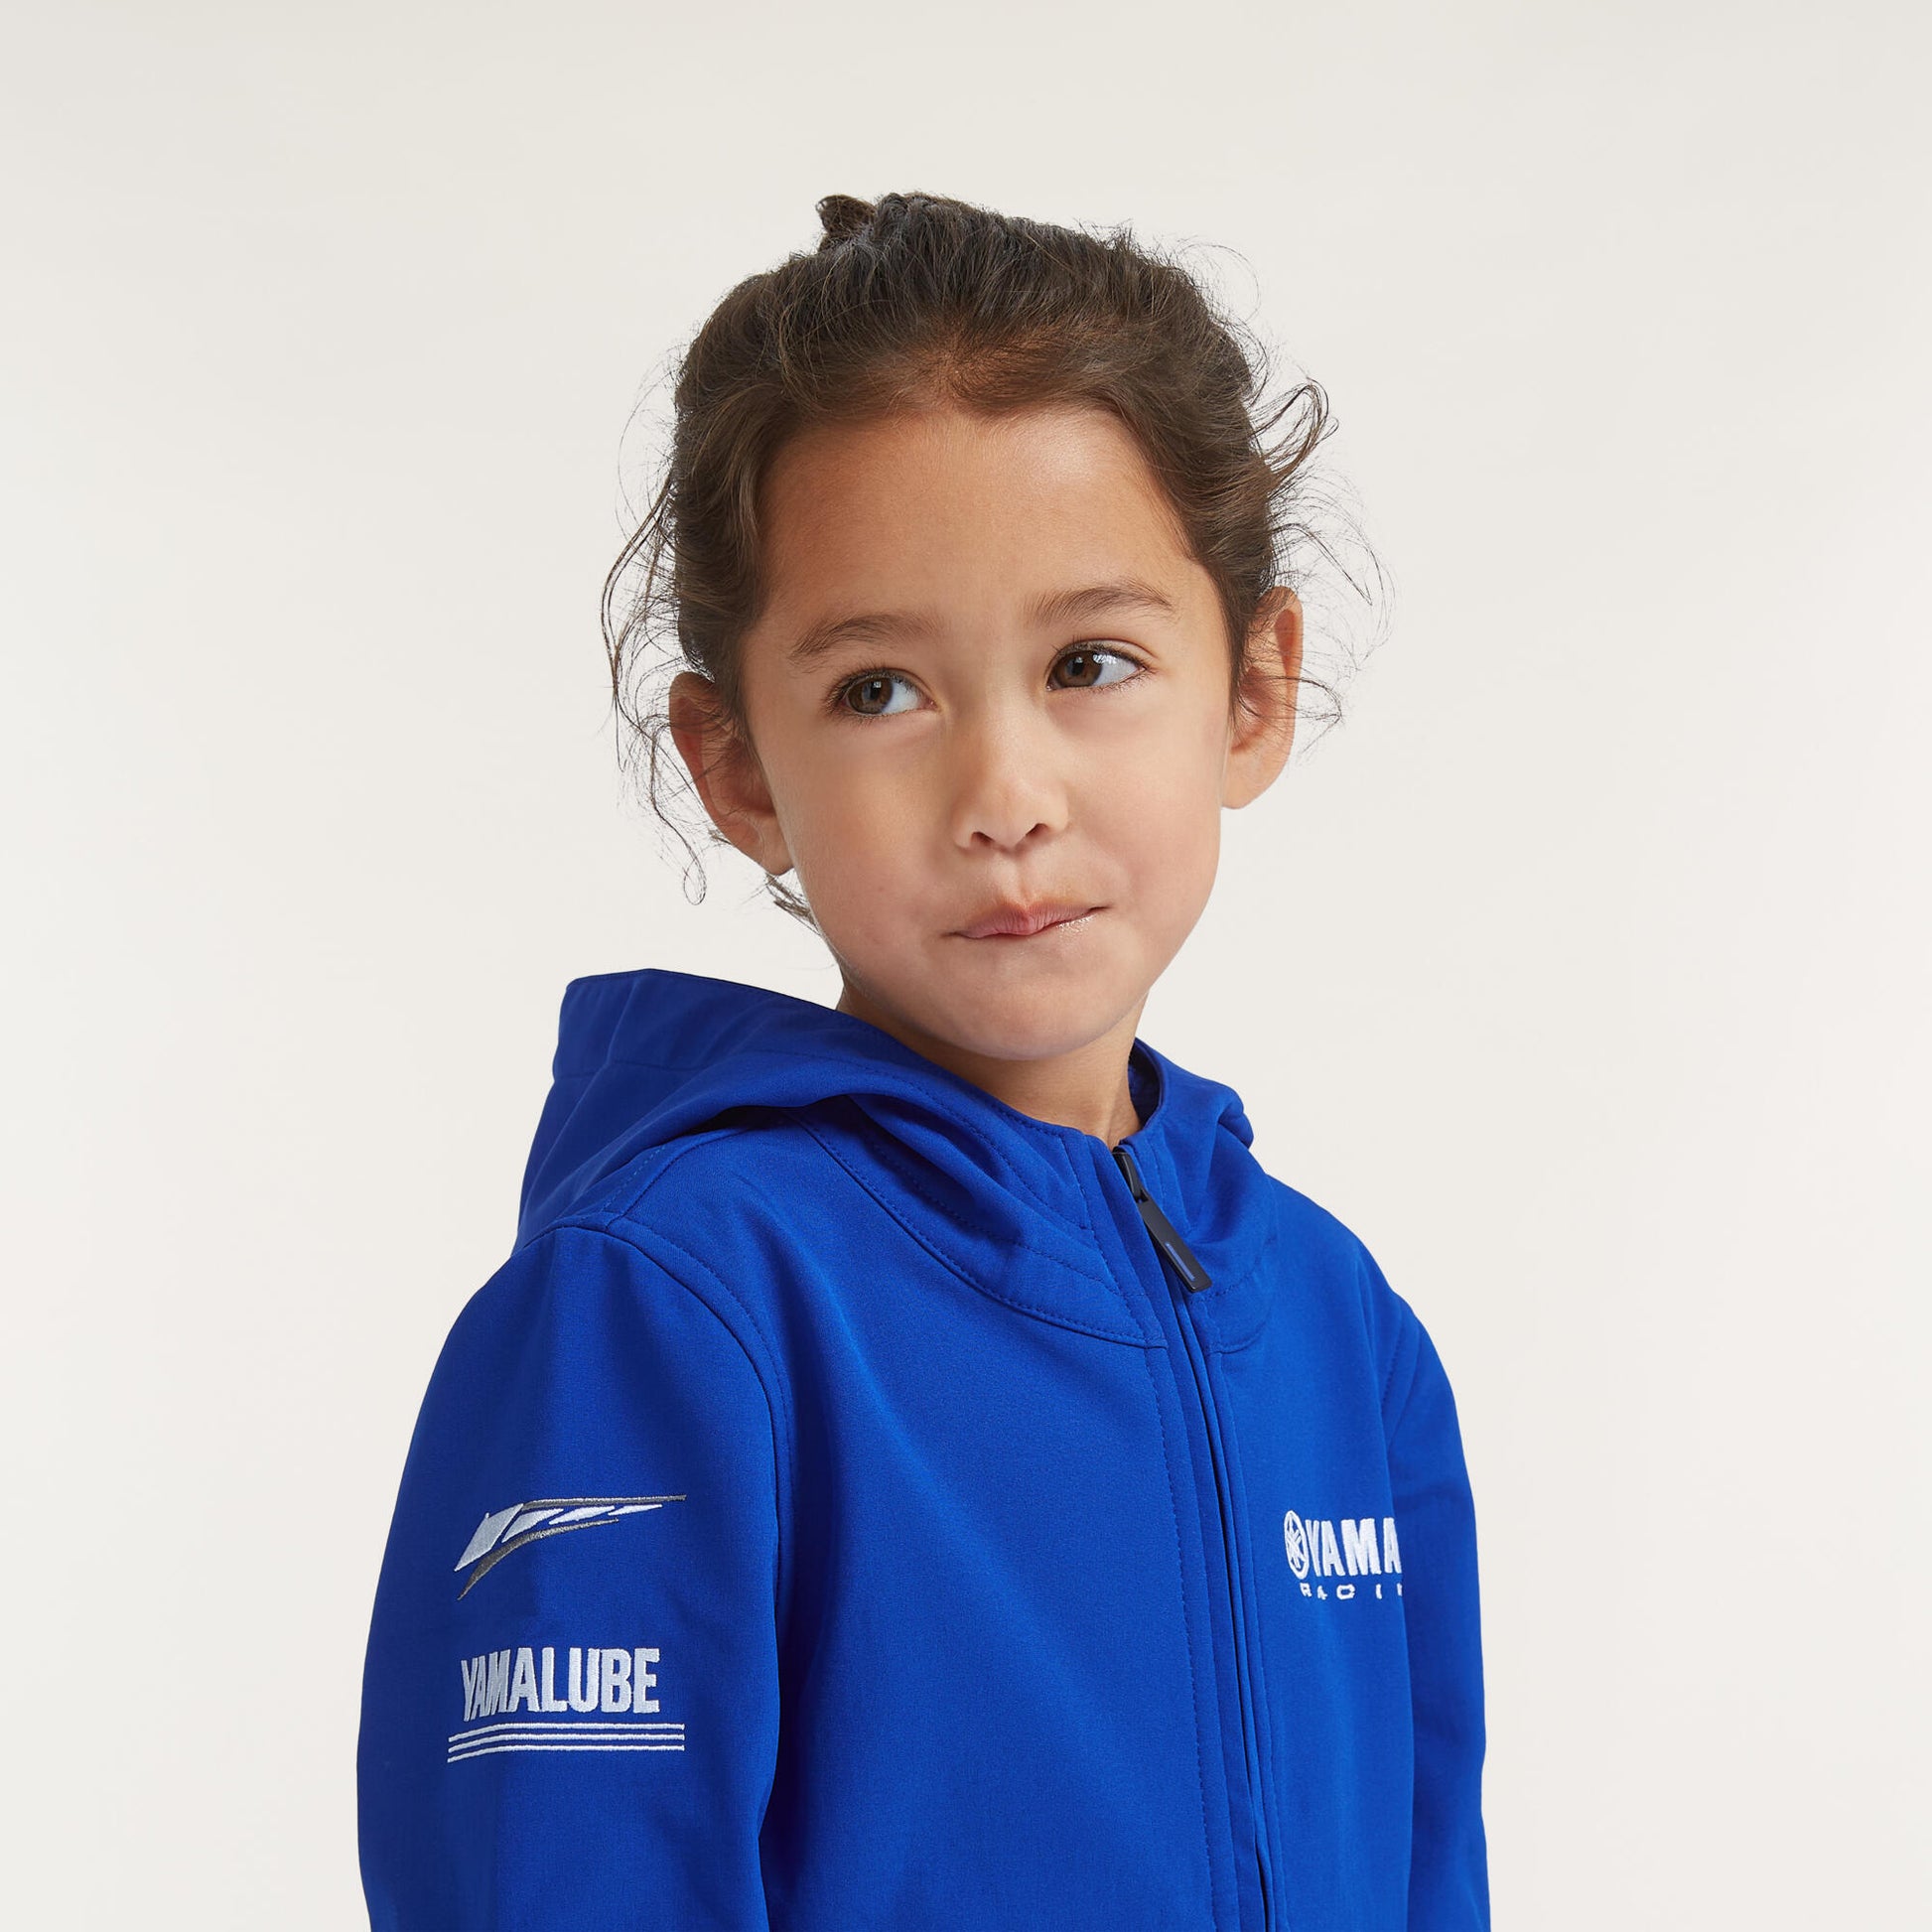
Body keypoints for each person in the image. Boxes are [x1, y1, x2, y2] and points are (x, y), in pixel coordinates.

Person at [356, 189, 1488, 1931]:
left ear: (1252, 688)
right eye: (879, 689)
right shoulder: (668, 1303)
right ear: (737, 766)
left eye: (1089, 662)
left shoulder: (1340, 1327)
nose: (1004, 796)